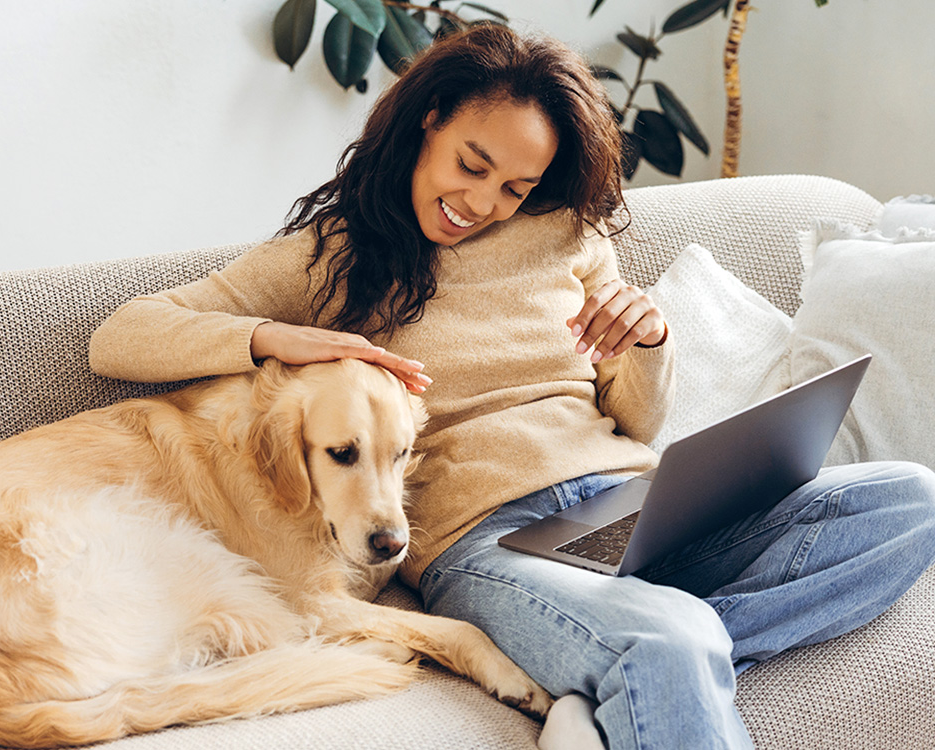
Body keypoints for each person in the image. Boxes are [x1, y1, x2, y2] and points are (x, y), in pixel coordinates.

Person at [90, 24, 935, 750]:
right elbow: (120, 337)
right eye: (472, 163)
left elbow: (635, 416)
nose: (480, 202)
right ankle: (644, 654)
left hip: (631, 502)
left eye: (514, 187)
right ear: (429, 122)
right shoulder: (335, 251)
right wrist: (276, 337)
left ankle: (611, 688)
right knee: (669, 638)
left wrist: (648, 339)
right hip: (486, 539)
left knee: (912, 498)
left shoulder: (572, 236)